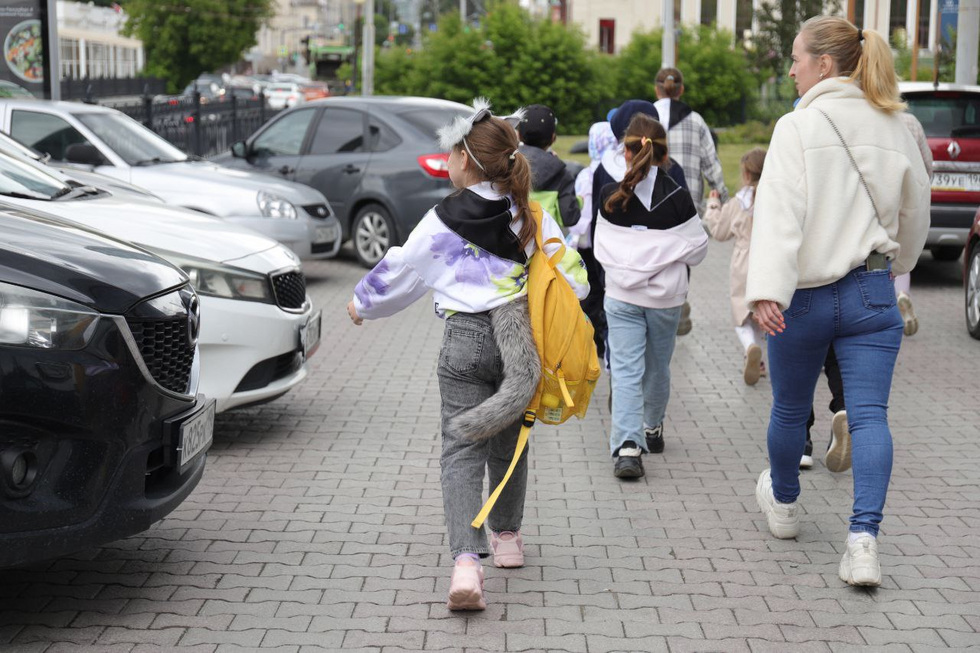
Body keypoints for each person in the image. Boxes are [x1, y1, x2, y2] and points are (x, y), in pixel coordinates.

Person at [347, 100, 589, 610]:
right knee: (509, 440)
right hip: (520, 342)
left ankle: (465, 564)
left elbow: (403, 272)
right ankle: (507, 539)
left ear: (466, 160)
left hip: (465, 341)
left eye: (452, 152)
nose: (447, 161)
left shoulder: (442, 219)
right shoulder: (529, 212)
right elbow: (574, 280)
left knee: (461, 447)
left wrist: (360, 303)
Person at [746, 17, 930, 588]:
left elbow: (779, 216)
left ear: (824, 64)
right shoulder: (899, 123)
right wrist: (898, 267)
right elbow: (914, 213)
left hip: (801, 295)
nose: (792, 69)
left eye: (797, 59)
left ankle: (784, 504)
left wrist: (765, 292)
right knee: (871, 416)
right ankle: (863, 543)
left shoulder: (796, 127)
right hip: (872, 289)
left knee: (787, 410)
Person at [800, 110, 933, 471]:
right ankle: (864, 526)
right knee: (870, 407)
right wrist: (900, 261)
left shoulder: (807, 116)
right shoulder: (904, 125)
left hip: (816, 267)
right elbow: (920, 189)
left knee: (801, 366)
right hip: (873, 270)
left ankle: (802, 442)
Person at [594, 113, 708, 478]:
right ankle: (652, 428)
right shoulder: (677, 198)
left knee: (626, 371)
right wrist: (666, 249)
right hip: (665, 299)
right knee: (657, 367)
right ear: (663, 154)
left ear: (626, 152)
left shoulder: (609, 196)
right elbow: (698, 250)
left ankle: (627, 448)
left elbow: (601, 247)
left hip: (621, 297)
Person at [703, 147, 768, 386]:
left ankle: (750, 346)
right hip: (768, 260)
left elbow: (719, 232)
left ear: (746, 174)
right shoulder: (774, 197)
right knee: (762, 312)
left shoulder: (738, 202)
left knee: (741, 316)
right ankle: (759, 359)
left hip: (743, 262)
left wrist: (712, 206)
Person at [517, 104, 581, 229]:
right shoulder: (562, 174)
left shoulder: (504, 164)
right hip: (544, 243)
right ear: (553, 138)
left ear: (518, 135)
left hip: (507, 239)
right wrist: (580, 201)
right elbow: (569, 218)